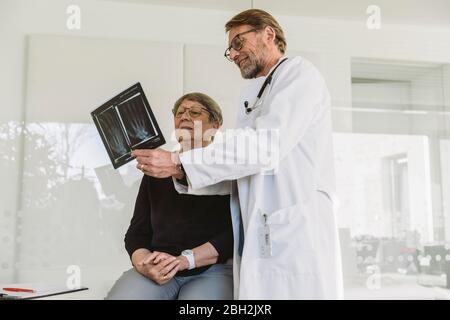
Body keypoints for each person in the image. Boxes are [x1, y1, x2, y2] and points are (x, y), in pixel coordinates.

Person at [132, 9, 343, 299]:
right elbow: (245, 171)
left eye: (238, 43)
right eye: (230, 49)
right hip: (264, 239)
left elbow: (264, 146)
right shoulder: (253, 96)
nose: (233, 54)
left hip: (295, 236)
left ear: (269, 34)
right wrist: (179, 171)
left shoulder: (299, 74)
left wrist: (179, 163)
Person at [106, 93, 233, 300]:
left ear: (216, 124)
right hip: (159, 267)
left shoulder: (229, 169)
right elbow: (137, 233)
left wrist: (185, 260)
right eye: (179, 113)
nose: (184, 116)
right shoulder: (156, 172)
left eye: (194, 112)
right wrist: (145, 263)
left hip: (212, 270)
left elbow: (235, 233)